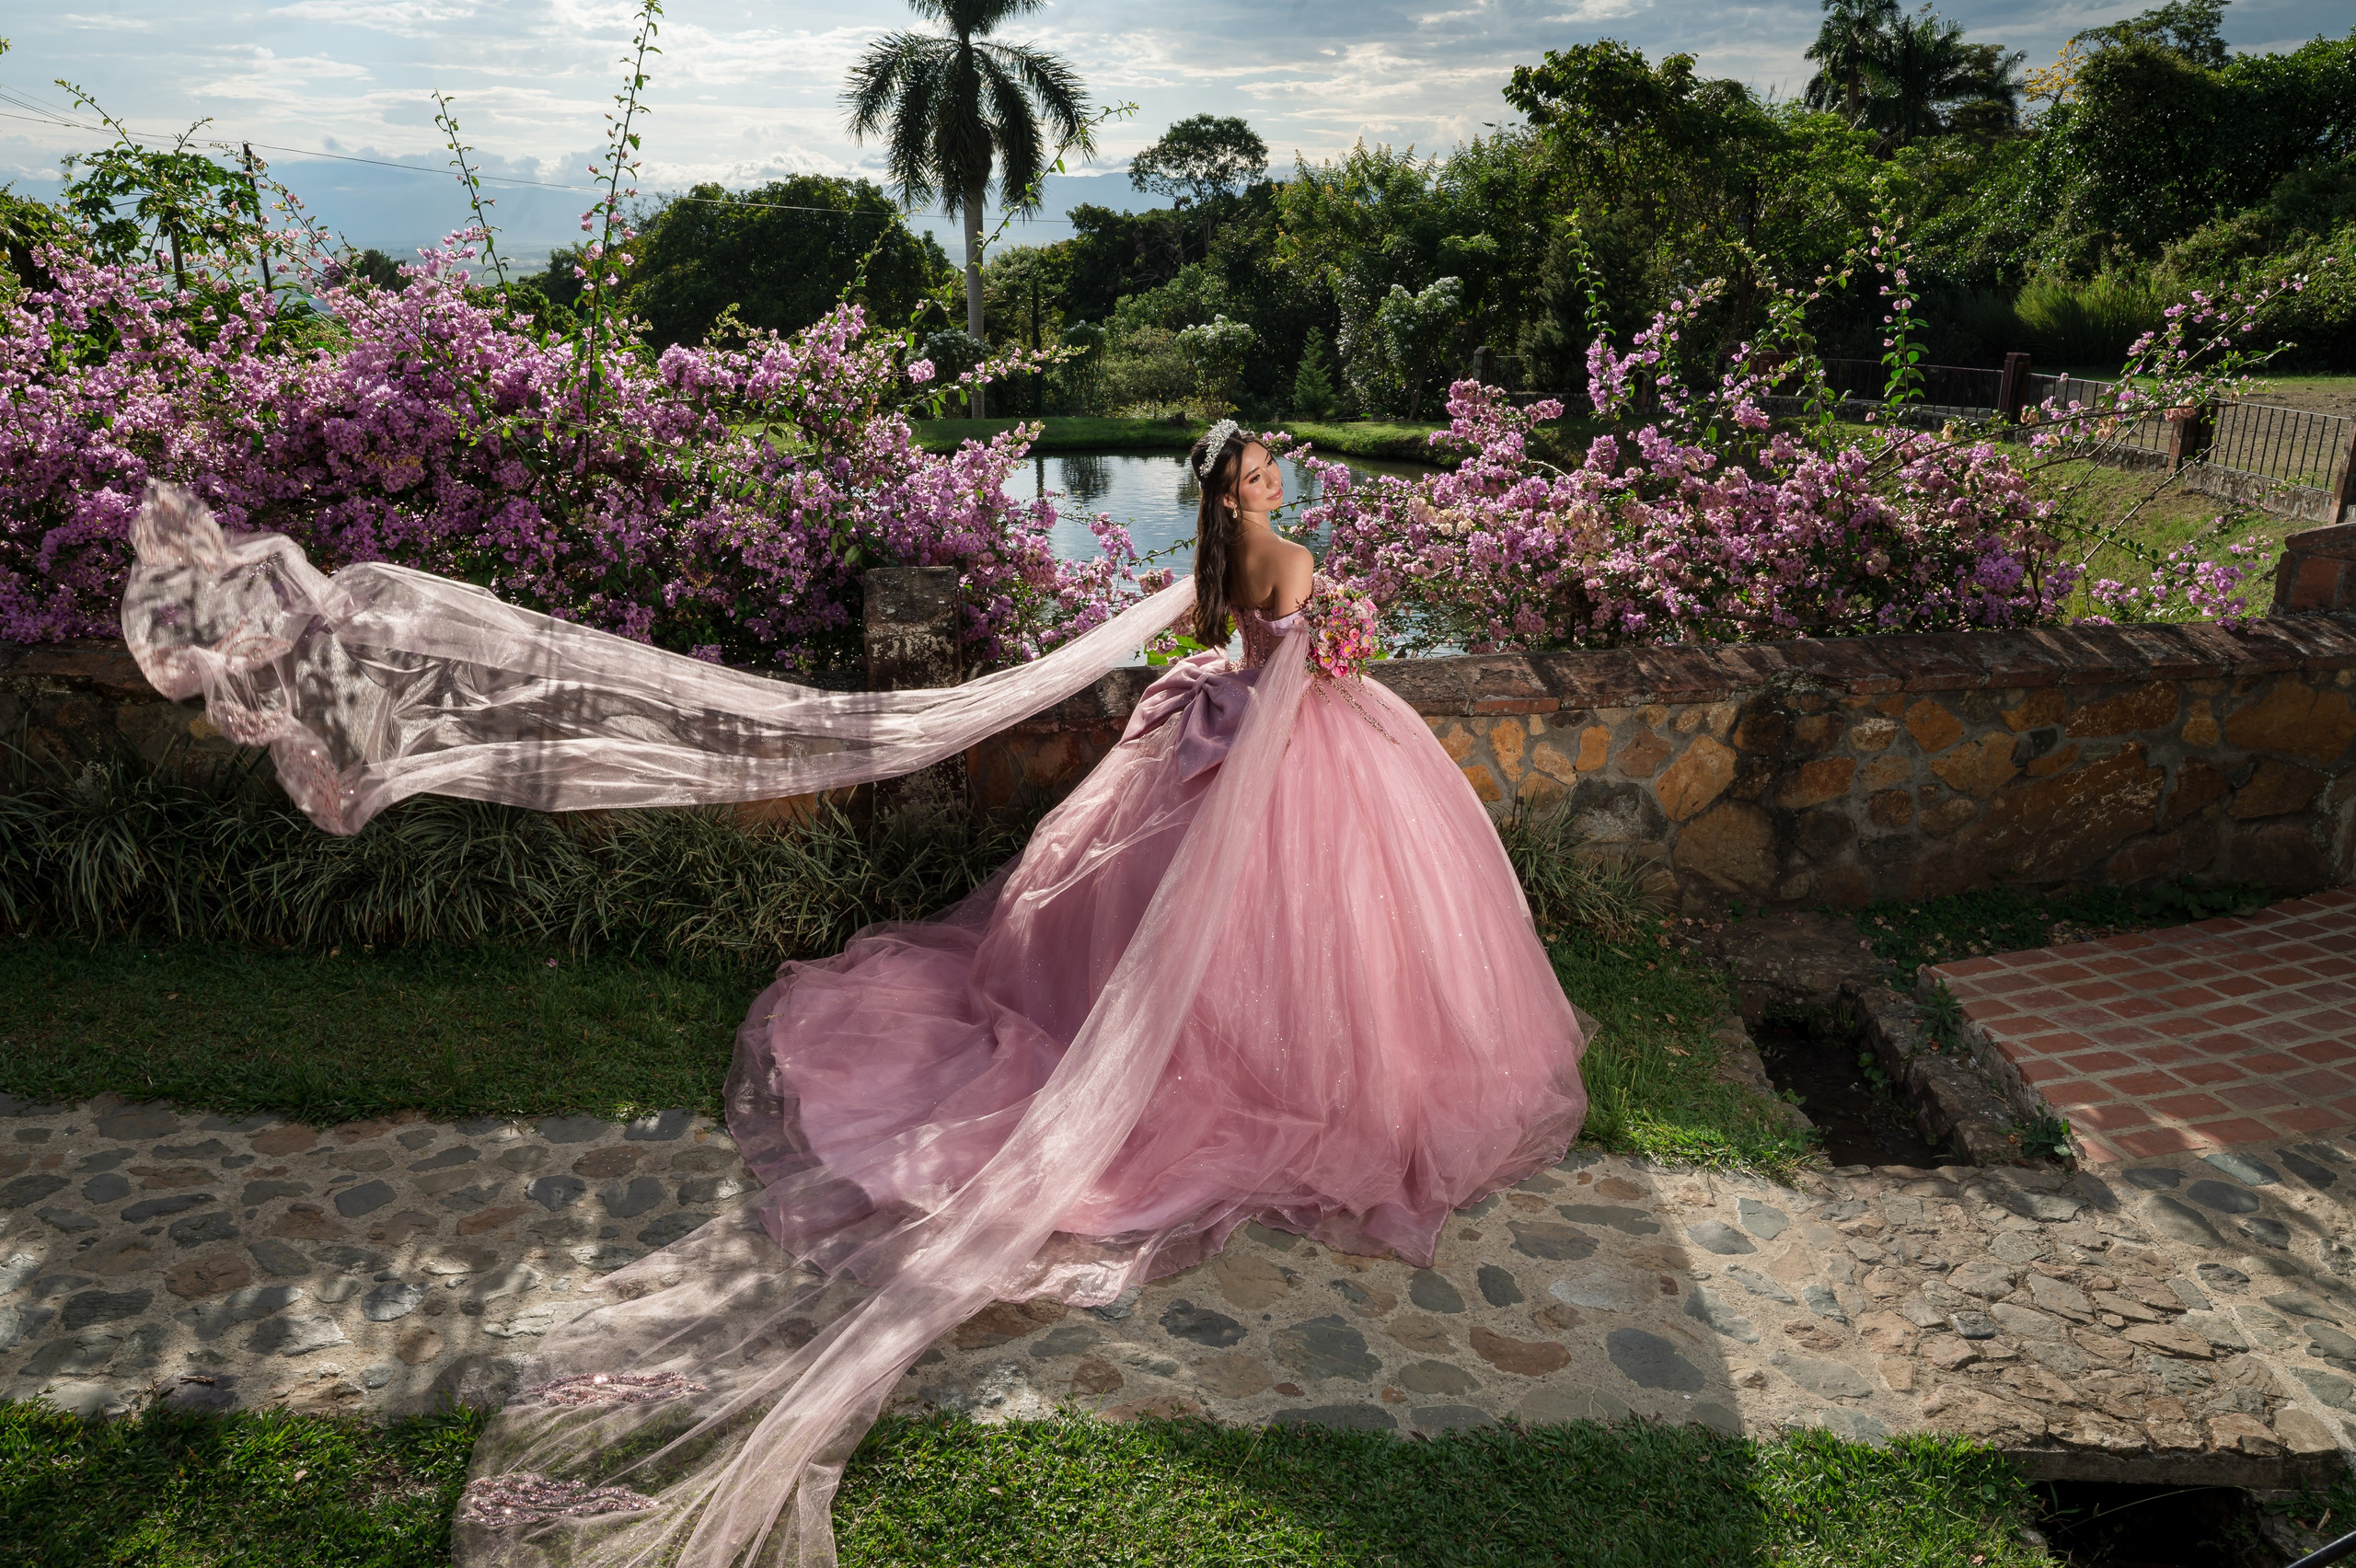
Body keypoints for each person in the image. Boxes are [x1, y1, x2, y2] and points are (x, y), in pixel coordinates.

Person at [121, 421, 1588, 1568]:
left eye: (1269, 463)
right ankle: (1267, 1082)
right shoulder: (1285, 557)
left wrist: (1274, 664)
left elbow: (1223, 648)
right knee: (1294, 943)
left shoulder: (1213, 555)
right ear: (1242, 488)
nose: (1272, 477)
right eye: (1261, 467)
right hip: (1276, 757)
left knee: (1181, 933)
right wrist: (1327, 652)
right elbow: (1281, 669)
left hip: (1220, 742)